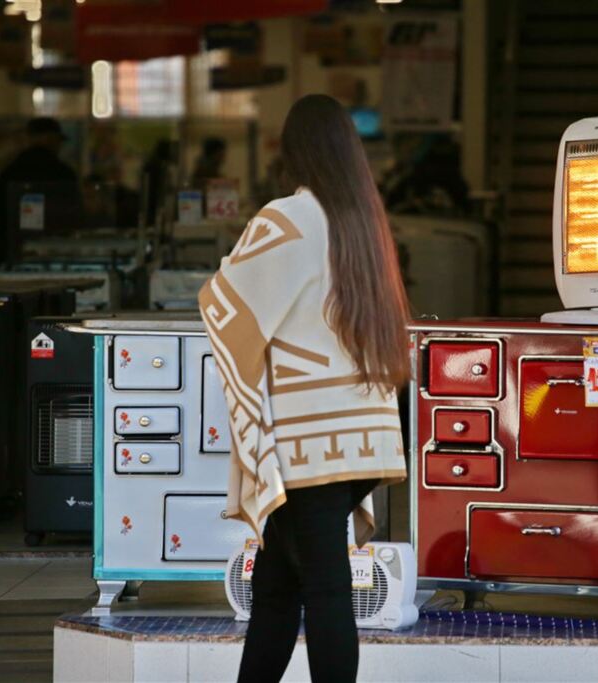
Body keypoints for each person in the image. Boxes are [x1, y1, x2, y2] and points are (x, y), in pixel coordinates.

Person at [198, 94, 410, 683]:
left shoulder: (286, 218)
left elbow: (223, 302)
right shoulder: (364, 222)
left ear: (294, 152)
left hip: (306, 443)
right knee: (276, 587)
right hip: (360, 438)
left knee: (322, 589)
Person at [0, 117, 81, 270]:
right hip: (54, 255)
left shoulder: (10, 171)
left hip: (13, 255)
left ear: (29, 138)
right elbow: (71, 218)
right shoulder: (63, 173)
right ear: (51, 139)